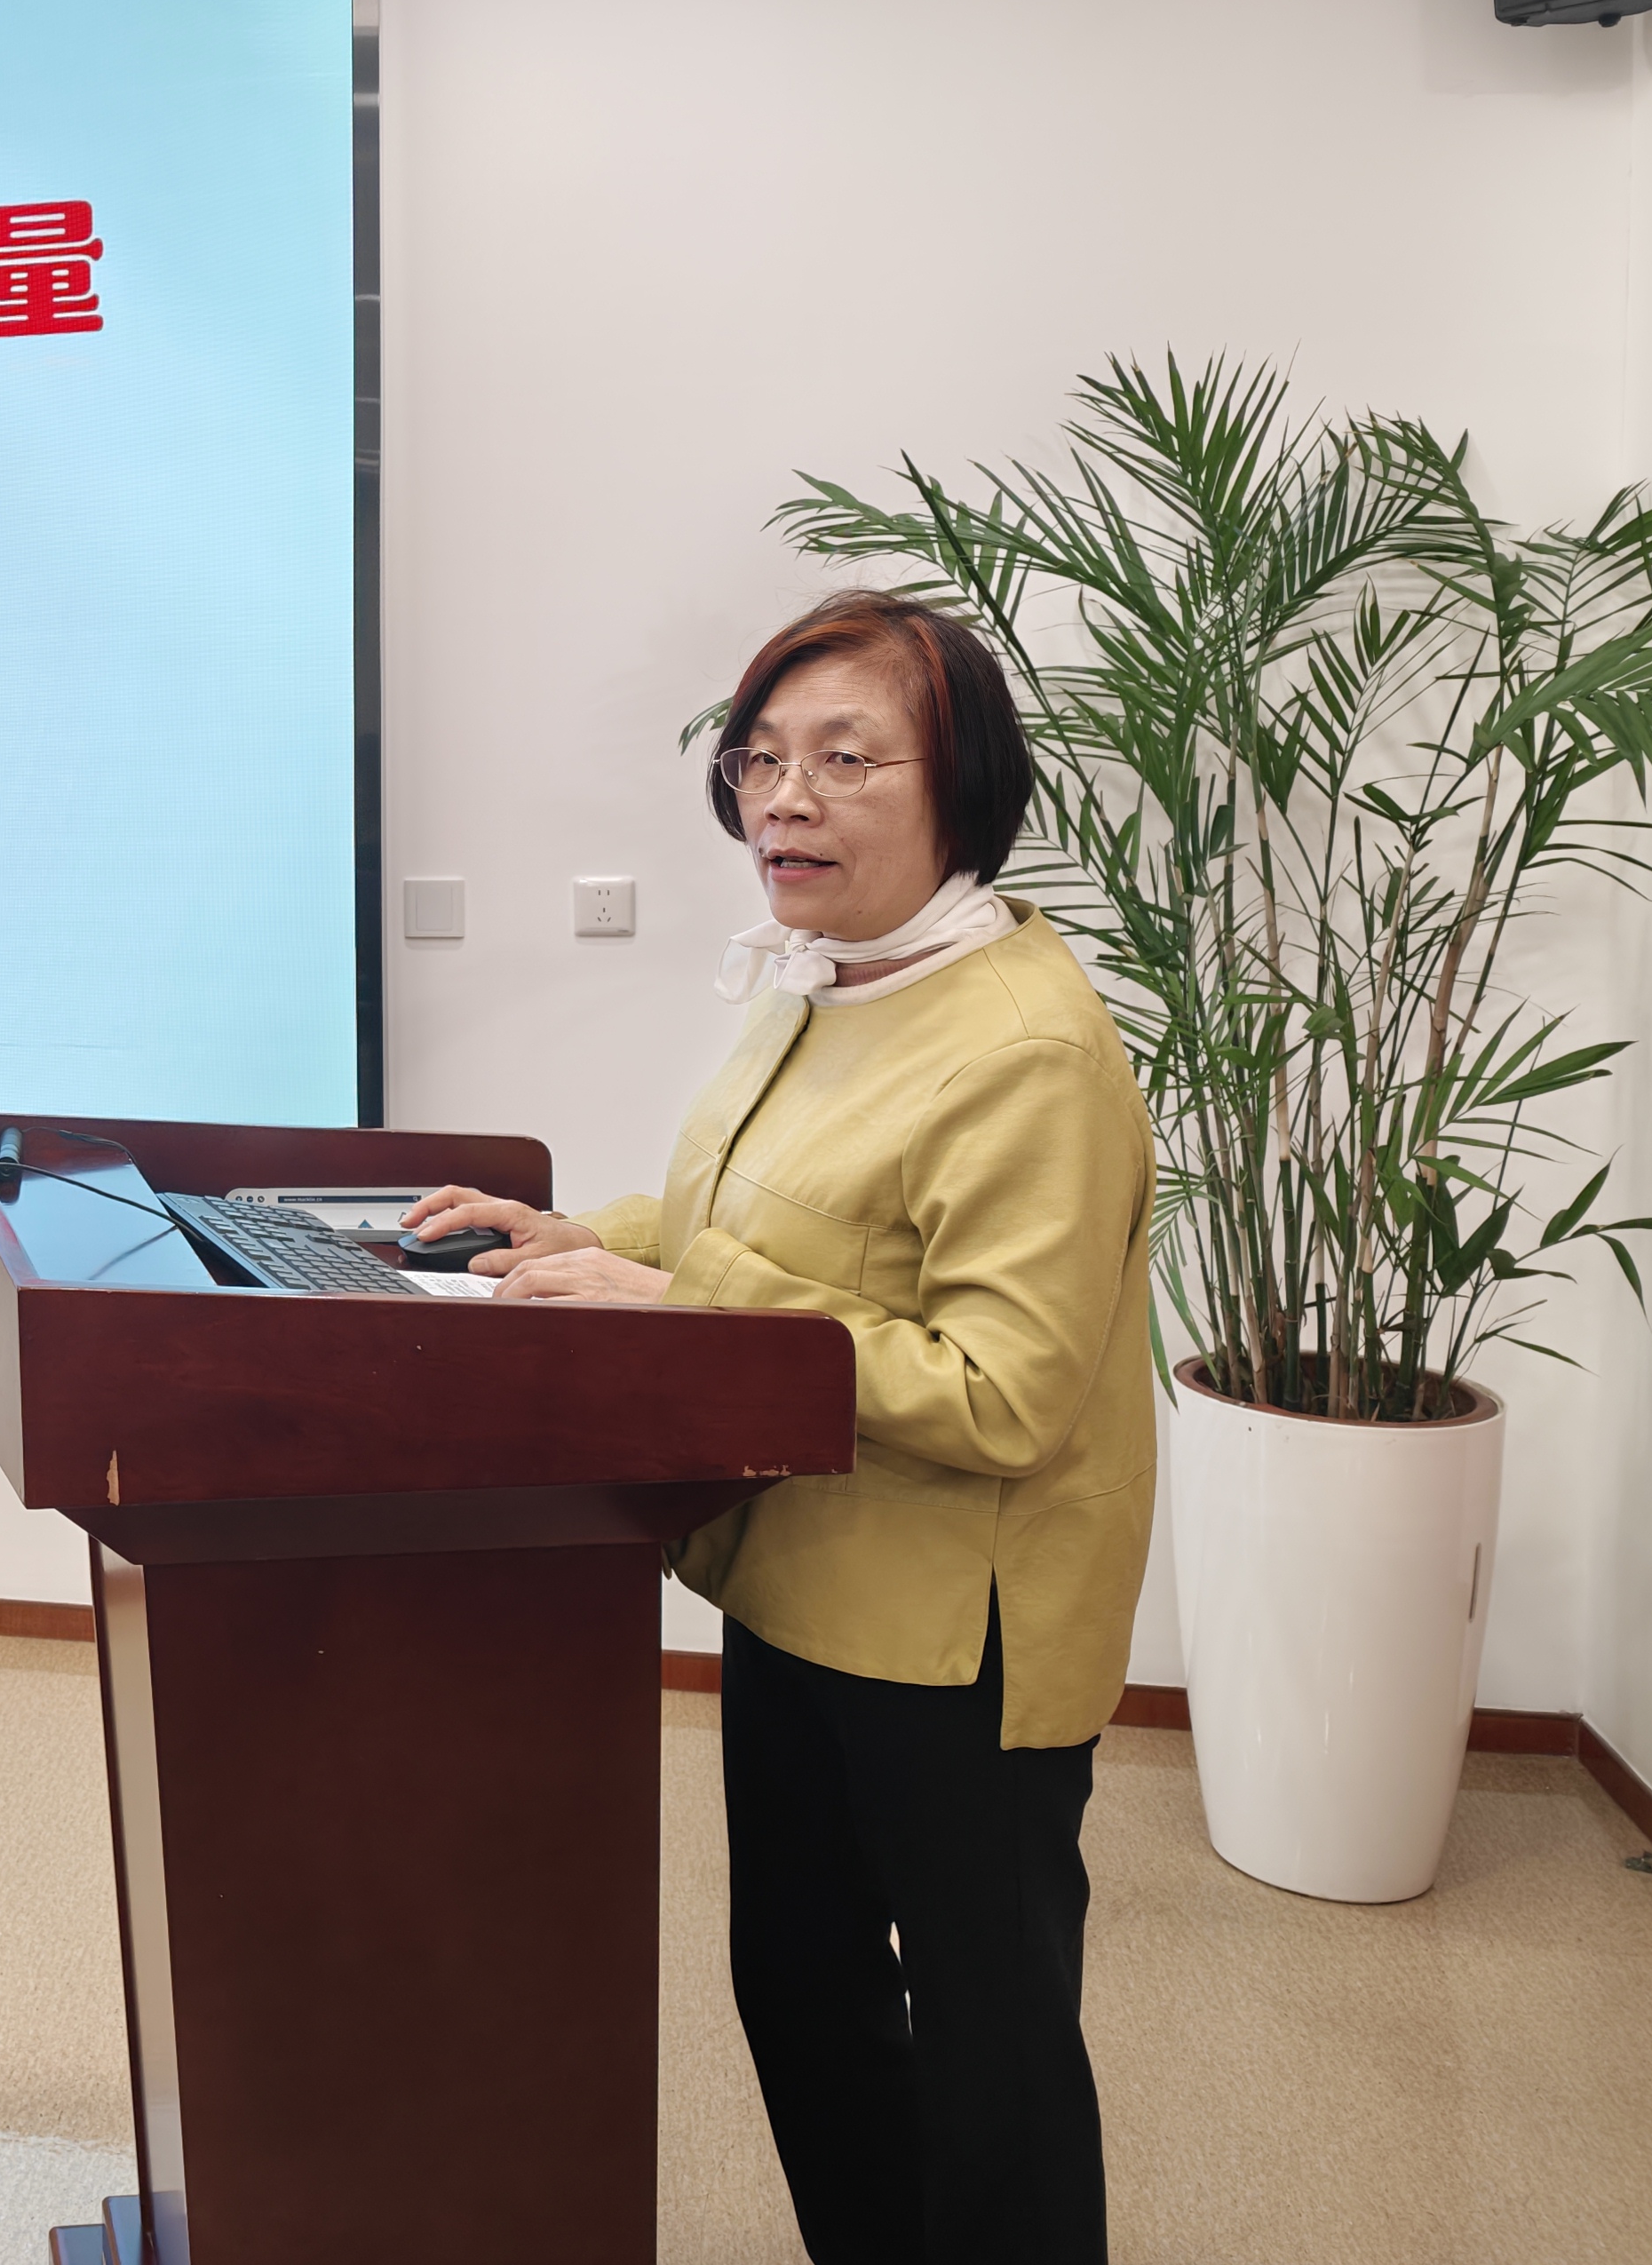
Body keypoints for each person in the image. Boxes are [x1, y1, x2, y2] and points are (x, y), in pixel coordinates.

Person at [406, 590, 1154, 2265]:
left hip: (954, 1630)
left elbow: (1002, 1391)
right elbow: (748, 1224)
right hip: (799, 1574)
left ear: (965, 786)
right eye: (760, 759)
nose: (784, 800)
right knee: (803, 1989)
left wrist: (678, 1303)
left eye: (844, 759)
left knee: (993, 2044)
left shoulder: (1025, 1045)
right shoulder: (828, 983)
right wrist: (574, 1239)